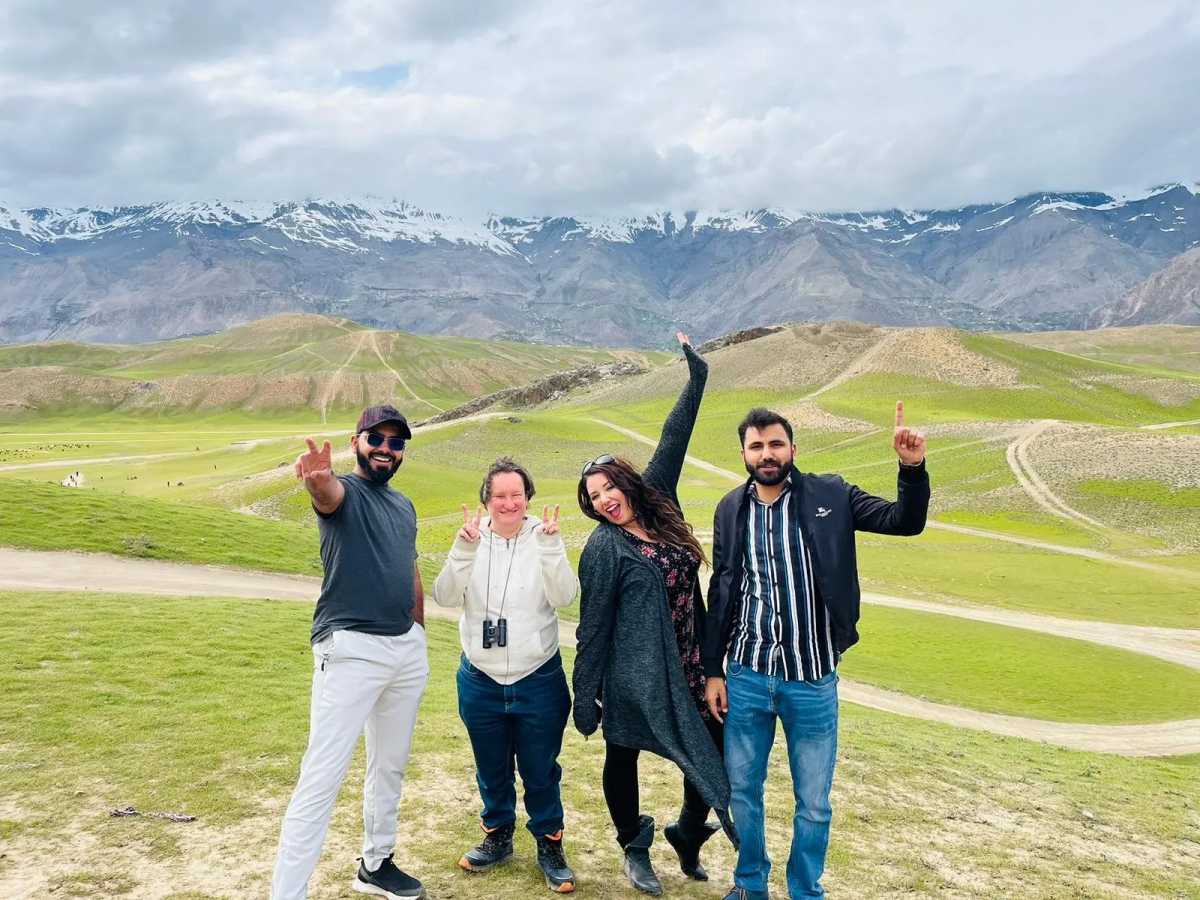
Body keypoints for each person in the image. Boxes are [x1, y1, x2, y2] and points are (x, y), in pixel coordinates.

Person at [704, 404, 930, 900]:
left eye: (775, 444)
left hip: (811, 679)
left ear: (793, 449)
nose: (767, 454)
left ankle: (805, 891)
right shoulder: (730, 508)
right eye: (757, 446)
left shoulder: (831, 494)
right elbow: (721, 588)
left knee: (813, 803)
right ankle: (750, 885)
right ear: (743, 454)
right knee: (743, 792)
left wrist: (911, 469)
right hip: (747, 674)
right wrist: (713, 670)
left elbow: (904, 521)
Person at [572, 332, 736, 897]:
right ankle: (633, 848)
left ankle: (688, 831)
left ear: (625, 482)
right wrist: (585, 694)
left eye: (607, 487)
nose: (603, 499)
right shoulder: (603, 548)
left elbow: (674, 436)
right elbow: (593, 627)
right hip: (632, 675)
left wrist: (697, 377)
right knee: (623, 755)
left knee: (710, 749)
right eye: (593, 497)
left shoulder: (659, 496)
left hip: (688, 664)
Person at [271, 404, 429, 900]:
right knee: (323, 774)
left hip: (404, 649)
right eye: (375, 439)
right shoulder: (343, 491)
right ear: (356, 442)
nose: (385, 448)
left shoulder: (404, 505)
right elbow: (326, 494)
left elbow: (410, 569)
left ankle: (376, 864)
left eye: (396, 442)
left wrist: (418, 634)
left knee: (389, 765)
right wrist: (317, 480)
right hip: (351, 648)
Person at [431, 457, 580, 893]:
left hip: (538, 677)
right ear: (486, 500)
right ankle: (497, 836)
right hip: (481, 678)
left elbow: (565, 596)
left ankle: (549, 843)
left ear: (528, 497)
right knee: (491, 767)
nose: (509, 503)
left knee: (540, 769)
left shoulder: (544, 537)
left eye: (516, 494)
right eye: (499, 495)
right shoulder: (472, 538)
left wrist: (551, 549)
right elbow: (444, 596)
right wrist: (462, 551)